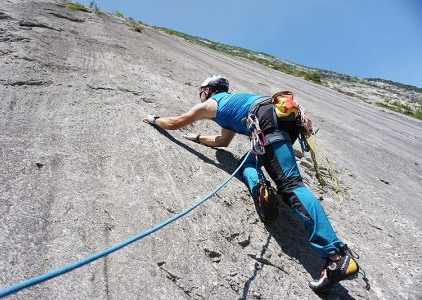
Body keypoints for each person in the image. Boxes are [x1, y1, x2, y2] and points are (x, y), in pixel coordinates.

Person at [143, 75, 360, 293]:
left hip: (267, 122)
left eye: (202, 90)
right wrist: (198, 138)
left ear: (209, 90)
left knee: (290, 185)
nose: (200, 95)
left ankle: (336, 256)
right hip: (279, 121)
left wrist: (154, 119)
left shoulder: (212, 104)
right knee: (248, 162)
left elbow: (176, 122)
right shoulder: (233, 103)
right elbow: (222, 141)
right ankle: (259, 188)